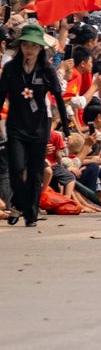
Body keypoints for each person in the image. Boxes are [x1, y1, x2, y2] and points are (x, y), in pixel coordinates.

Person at [1, 24, 72, 227]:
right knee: (16, 166)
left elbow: (58, 97)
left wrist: (66, 128)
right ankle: (20, 202)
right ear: (20, 46)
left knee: (35, 171)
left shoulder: (47, 70)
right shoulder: (10, 69)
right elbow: (0, 96)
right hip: (16, 125)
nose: (29, 50)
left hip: (40, 126)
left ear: (40, 48)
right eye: (25, 45)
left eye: (34, 46)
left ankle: (30, 214)